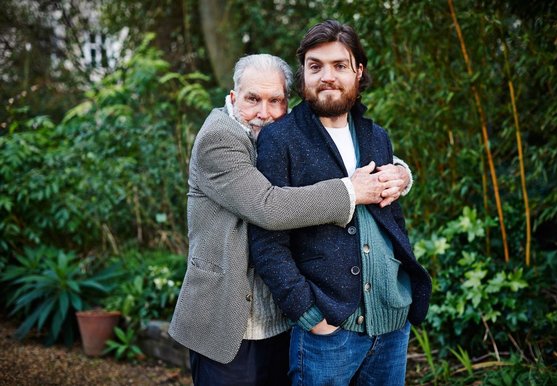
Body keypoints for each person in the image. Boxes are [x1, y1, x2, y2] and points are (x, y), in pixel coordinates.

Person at [169, 53, 413, 386]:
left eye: (275, 101)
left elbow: (334, 155)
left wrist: (400, 171)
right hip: (230, 318)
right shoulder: (219, 138)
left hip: (281, 319)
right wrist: (351, 191)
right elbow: (268, 205)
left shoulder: (282, 138)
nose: (263, 113)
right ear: (232, 97)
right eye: (252, 99)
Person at [249, 20, 432, 386]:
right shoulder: (279, 139)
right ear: (302, 74)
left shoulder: (377, 135)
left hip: (392, 321)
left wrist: (403, 293)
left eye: (339, 65)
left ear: (358, 71)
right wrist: (310, 314)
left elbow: (392, 218)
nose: (326, 76)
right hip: (329, 329)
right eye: (315, 66)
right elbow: (267, 239)